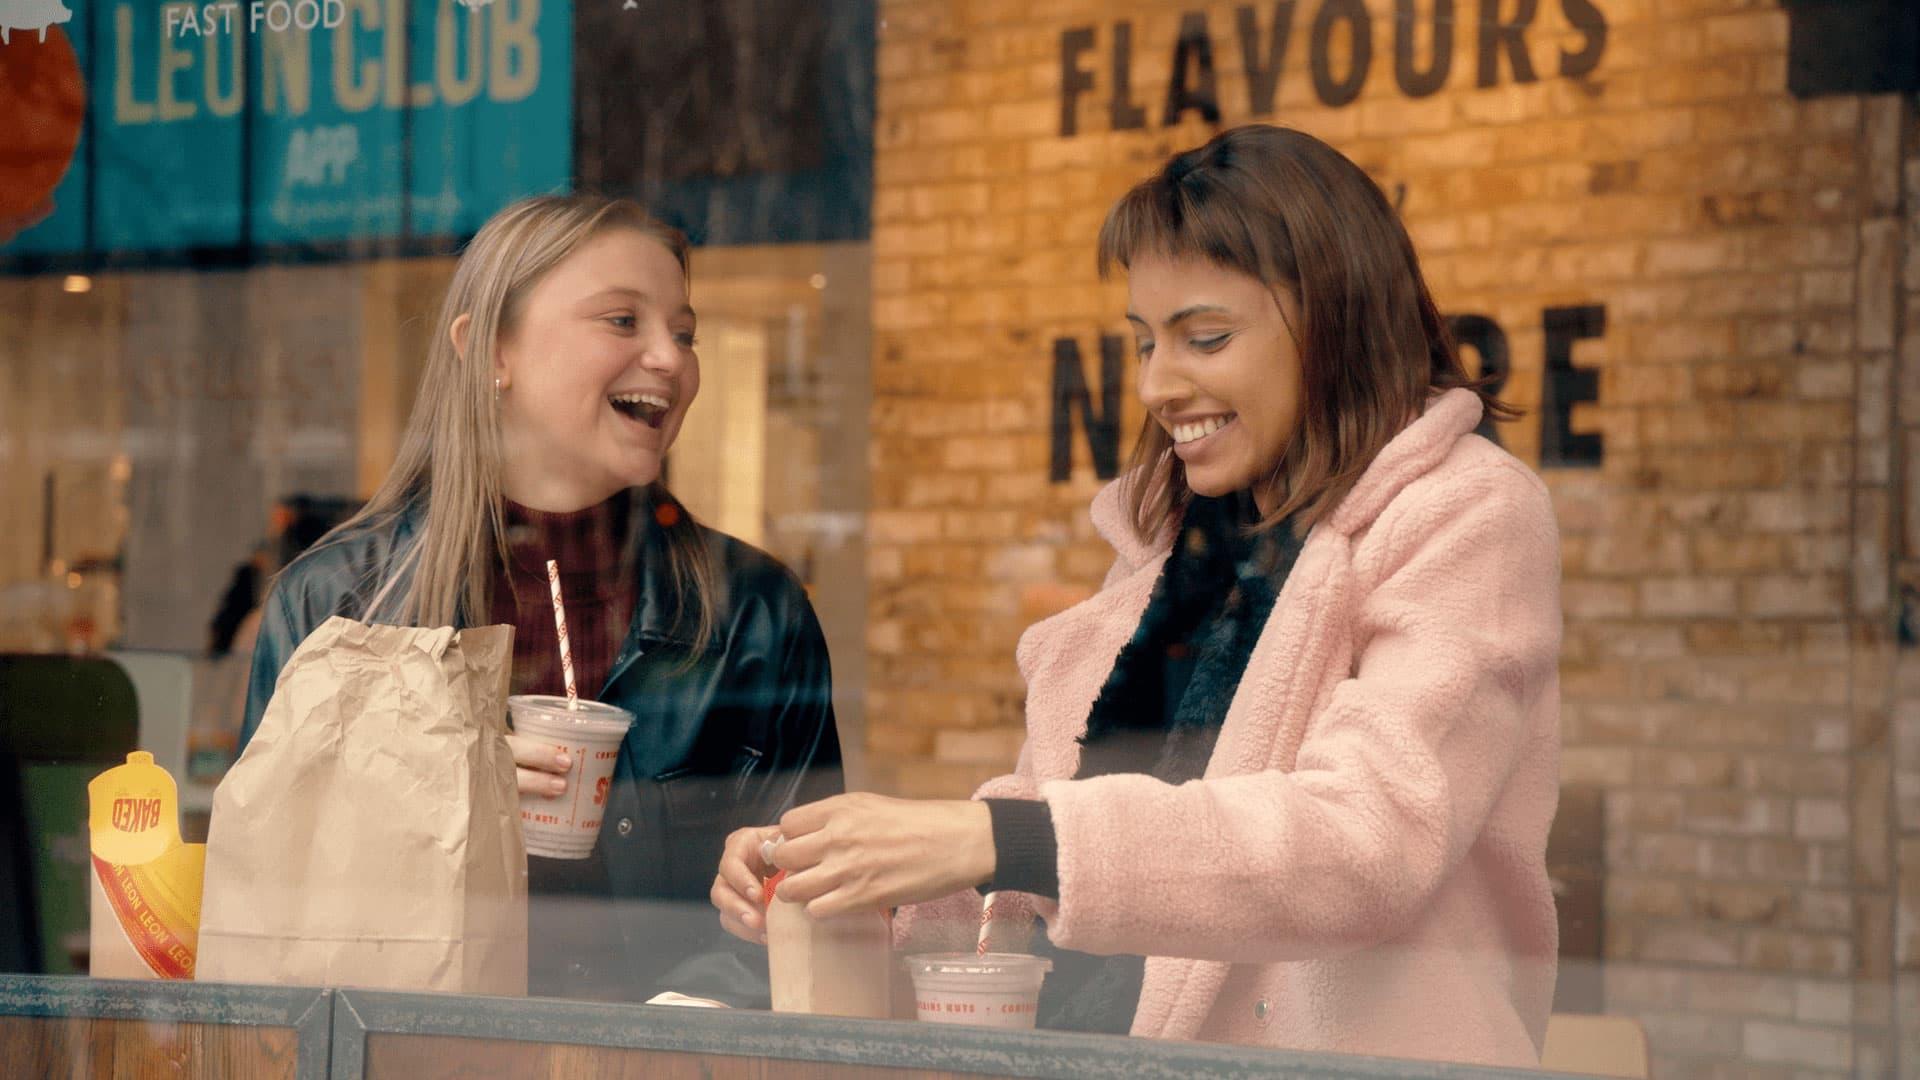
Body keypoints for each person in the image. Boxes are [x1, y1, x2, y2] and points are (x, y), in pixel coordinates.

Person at [712, 125, 1561, 1067]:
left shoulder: (1468, 512)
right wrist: (861, 879)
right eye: (1145, 342)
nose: (1158, 383)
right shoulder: (1182, 545)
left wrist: (987, 836)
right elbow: (1070, 834)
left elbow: (1365, 839)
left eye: (1205, 337)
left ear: (1337, 322)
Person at [242, 194, 843, 1003]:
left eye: (685, 331)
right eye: (623, 321)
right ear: (492, 351)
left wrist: (680, 1027)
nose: (671, 358)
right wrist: (436, 787)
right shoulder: (337, 606)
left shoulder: (757, 614)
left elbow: (813, 909)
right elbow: (268, 891)